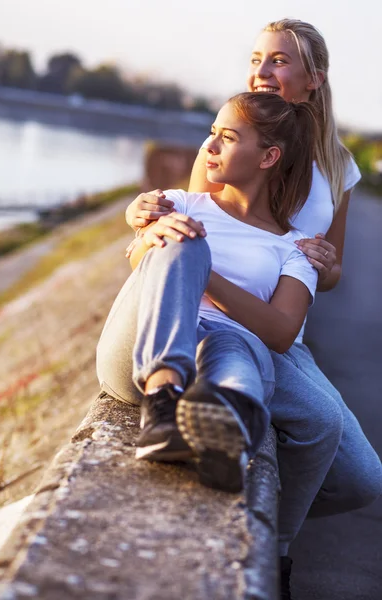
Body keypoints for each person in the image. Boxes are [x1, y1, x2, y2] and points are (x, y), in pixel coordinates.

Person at [123, 18, 382, 599]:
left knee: (363, 479)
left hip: (278, 322)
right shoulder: (231, 139)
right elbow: (196, 222)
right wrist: (144, 221)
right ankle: (272, 553)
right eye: (257, 58)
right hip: (216, 317)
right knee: (275, 396)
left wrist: (320, 262)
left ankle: (273, 536)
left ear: (314, 78)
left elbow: (332, 271)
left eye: (279, 61)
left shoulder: (338, 166)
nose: (262, 71)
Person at [97, 91, 318, 496]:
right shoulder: (180, 204)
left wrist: (206, 275)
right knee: (186, 241)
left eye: (227, 138)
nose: (209, 146)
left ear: (268, 158)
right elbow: (138, 263)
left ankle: (227, 439)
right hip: (139, 357)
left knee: (234, 345)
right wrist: (151, 231)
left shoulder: (296, 249)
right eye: (212, 133)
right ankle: (162, 401)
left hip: (226, 356)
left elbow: (282, 332)